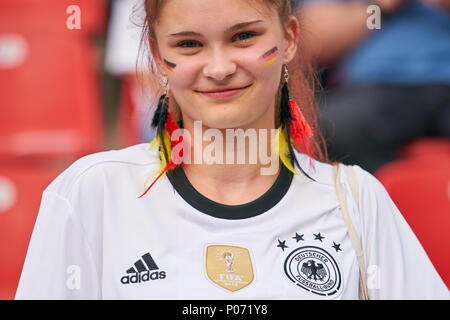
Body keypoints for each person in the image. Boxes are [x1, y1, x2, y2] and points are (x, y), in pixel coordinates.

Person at [15, 0, 448, 299]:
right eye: (189, 44)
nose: (219, 68)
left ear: (290, 39)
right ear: (154, 52)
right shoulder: (91, 194)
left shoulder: (356, 200)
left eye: (243, 37)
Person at [297, 0, 450, 173]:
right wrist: (377, 7)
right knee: (336, 126)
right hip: (375, 89)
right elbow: (308, 43)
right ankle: (388, 197)